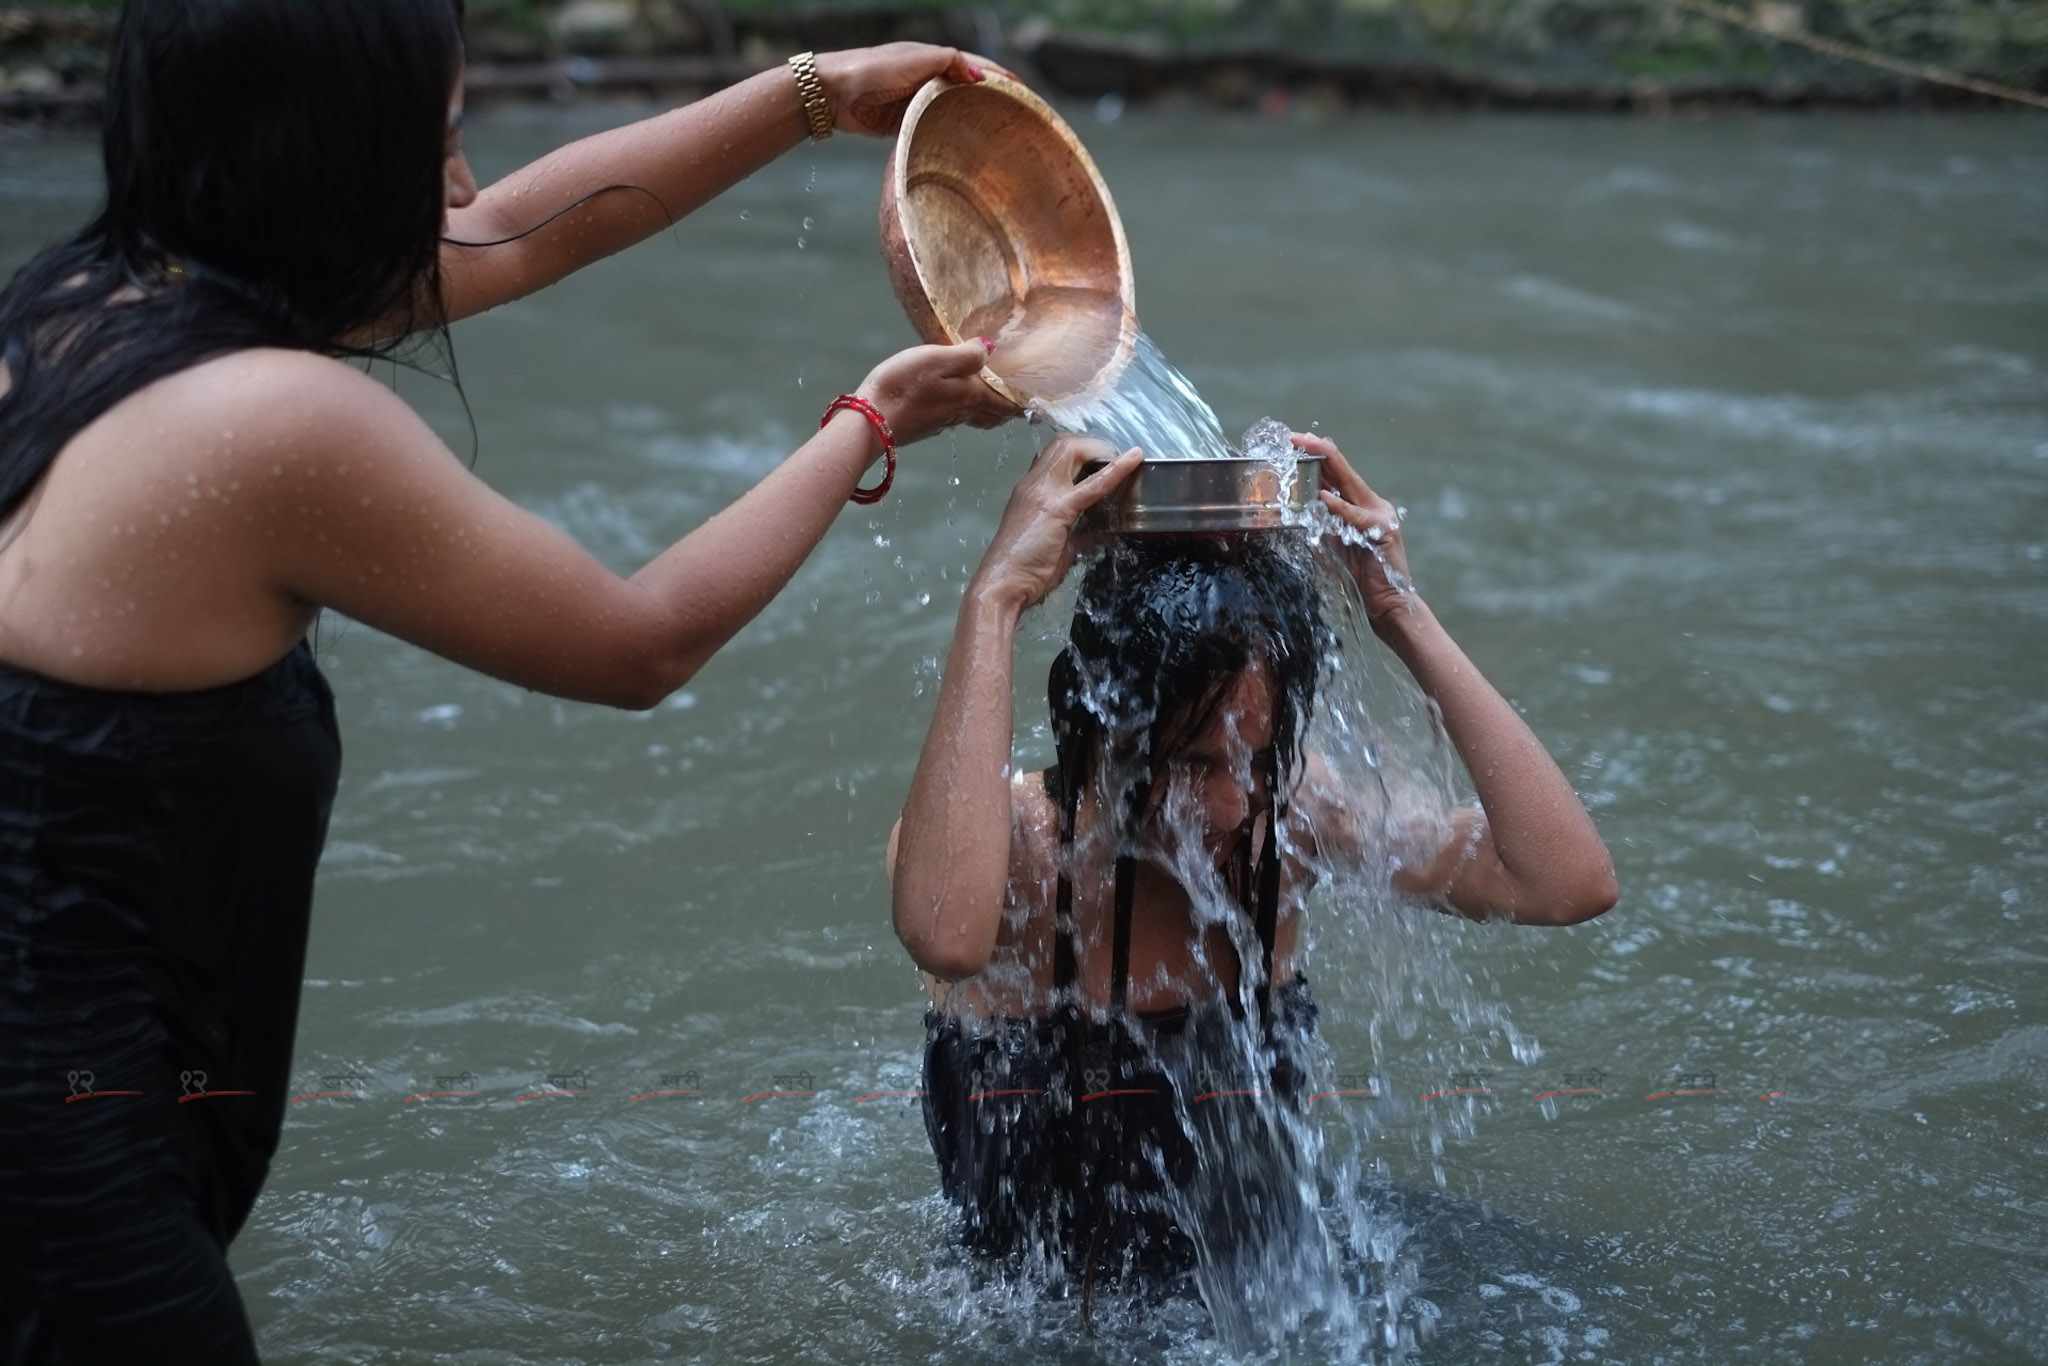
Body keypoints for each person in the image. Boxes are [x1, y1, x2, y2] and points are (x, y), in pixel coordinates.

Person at [0, 3, 1013, 1360]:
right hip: (65, 1153)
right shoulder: (279, 425)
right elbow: (637, 641)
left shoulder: (86, 306)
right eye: (445, 144)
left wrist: (817, 96)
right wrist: (873, 421)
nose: (466, 186)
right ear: (320, 159)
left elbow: (532, 227)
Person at [887, 432, 1618, 1294]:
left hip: (1264, 1287)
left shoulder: (1299, 819)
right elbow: (942, 935)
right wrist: (997, 597)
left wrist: (1399, 610)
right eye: (1194, 763)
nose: (1234, 805)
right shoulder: (1014, 854)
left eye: (1258, 758)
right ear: (1101, 720)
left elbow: (1566, 882)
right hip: (1037, 1322)